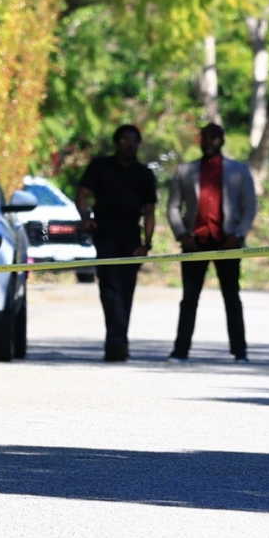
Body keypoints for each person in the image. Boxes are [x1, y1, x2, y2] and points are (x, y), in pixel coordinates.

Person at [165, 121, 257, 362]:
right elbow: (173, 206)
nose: (209, 141)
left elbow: (249, 207)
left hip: (227, 242)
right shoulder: (185, 171)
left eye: (214, 137)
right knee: (189, 298)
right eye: (205, 137)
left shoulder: (239, 171)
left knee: (231, 297)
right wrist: (182, 234)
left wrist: (237, 235)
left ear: (222, 140)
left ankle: (240, 350)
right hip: (195, 243)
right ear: (200, 140)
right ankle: (180, 349)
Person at [74, 123, 156, 362]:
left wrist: (147, 244)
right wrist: (85, 218)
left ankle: (118, 338)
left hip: (132, 235)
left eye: (133, 141)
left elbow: (150, 211)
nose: (128, 145)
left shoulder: (144, 174)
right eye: (124, 140)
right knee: (110, 286)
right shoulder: (100, 167)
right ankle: (116, 340)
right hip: (105, 233)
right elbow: (82, 194)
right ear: (116, 142)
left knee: (126, 288)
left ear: (138, 144)